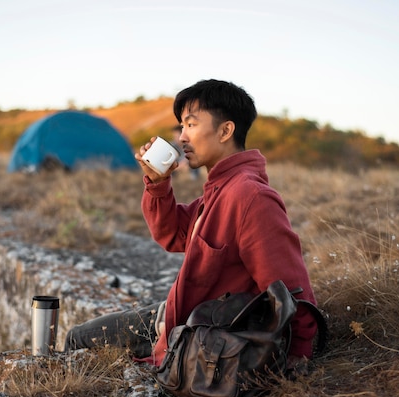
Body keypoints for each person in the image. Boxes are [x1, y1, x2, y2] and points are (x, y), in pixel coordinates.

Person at [65, 79, 318, 374]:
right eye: (181, 127)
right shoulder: (220, 190)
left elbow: (288, 285)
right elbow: (172, 234)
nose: (182, 137)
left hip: (204, 333)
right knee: (82, 335)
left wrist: (299, 356)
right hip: (182, 317)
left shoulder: (251, 196)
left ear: (225, 130)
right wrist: (158, 183)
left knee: (77, 339)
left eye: (191, 124)